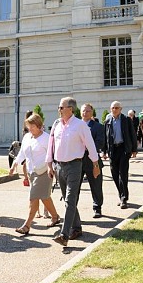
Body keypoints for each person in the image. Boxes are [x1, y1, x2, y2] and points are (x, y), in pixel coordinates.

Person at [46, 97, 100, 247]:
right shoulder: (57, 124)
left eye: (61, 107)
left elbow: (90, 144)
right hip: (59, 167)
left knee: (70, 200)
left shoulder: (80, 125)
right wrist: (50, 165)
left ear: (71, 109)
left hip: (75, 166)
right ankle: (77, 228)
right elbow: (51, 145)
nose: (59, 109)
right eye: (59, 107)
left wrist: (96, 164)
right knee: (67, 199)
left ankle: (64, 234)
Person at [10, 113, 61, 235]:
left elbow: (53, 155)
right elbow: (22, 152)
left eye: (32, 126)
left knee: (33, 197)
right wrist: (14, 165)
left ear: (39, 126)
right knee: (44, 196)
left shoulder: (46, 138)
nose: (30, 129)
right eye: (28, 126)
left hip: (44, 171)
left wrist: (51, 168)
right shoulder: (27, 137)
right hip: (32, 172)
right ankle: (55, 216)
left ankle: (27, 225)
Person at [103, 101, 137, 210]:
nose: (114, 110)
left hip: (124, 149)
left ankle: (123, 198)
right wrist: (104, 151)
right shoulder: (108, 121)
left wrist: (134, 149)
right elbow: (105, 137)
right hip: (113, 150)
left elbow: (132, 134)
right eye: (113, 108)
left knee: (123, 174)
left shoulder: (126, 120)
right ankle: (122, 194)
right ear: (110, 109)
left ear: (120, 109)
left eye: (117, 108)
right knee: (114, 174)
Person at [80, 103, 106, 218]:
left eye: (88, 111)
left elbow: (100, 142)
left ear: (92, 112)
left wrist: (88, 147)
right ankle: (72, 210)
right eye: (83, 111)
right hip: (78, 160)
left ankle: (97, 207)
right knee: (74, 187)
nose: (85, 113)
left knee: (96, 185)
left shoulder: (98, 127)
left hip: (92, 160)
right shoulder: (76, 125)